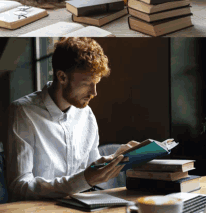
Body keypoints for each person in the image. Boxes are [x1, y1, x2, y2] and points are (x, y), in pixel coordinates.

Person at [6, 37, 139, 202]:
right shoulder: (22, 112)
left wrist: (116, 159)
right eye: (86, 84)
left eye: (96, 83)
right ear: (62, 77)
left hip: (80, 207)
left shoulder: (86, 114)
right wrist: (83, 180)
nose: (94, 92)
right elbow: (19, 186)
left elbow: (92, 168)